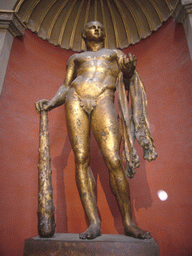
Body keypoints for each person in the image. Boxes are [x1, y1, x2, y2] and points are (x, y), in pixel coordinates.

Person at [35, 21, 157, 240]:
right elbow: (65, 86)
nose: (97, 28)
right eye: (92, 26)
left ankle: (129, 223)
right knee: (81, 158)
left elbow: (128, 81)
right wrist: (52, 102)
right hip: (75, 99)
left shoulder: (114, 54)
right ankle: (93, 222)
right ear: (83, 34)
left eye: (101, 26)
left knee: (113, 158)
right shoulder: (75, 58)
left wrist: (128, 74)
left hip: (103, 97)